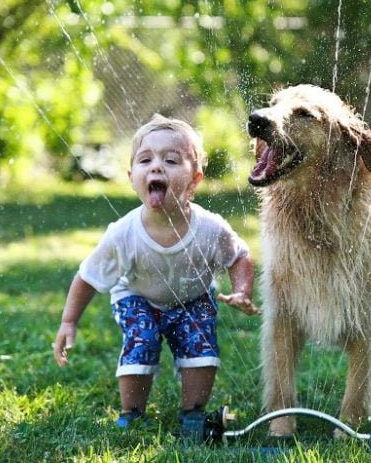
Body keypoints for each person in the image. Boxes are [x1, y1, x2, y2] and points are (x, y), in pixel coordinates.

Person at [52, 114, 260, 429]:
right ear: (132, 176)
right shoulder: (122, 234)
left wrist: (243, 290)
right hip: (137, 296)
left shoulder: (209, 227)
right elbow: (87, 277)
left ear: (195, 180)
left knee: (201, 348)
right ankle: (132, 414)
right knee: (142, 338)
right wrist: (69, 321)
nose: (156, 166)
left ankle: (192, 413)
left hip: (193, 297)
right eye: (145, 160)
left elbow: (239, 256)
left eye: (171, 160)